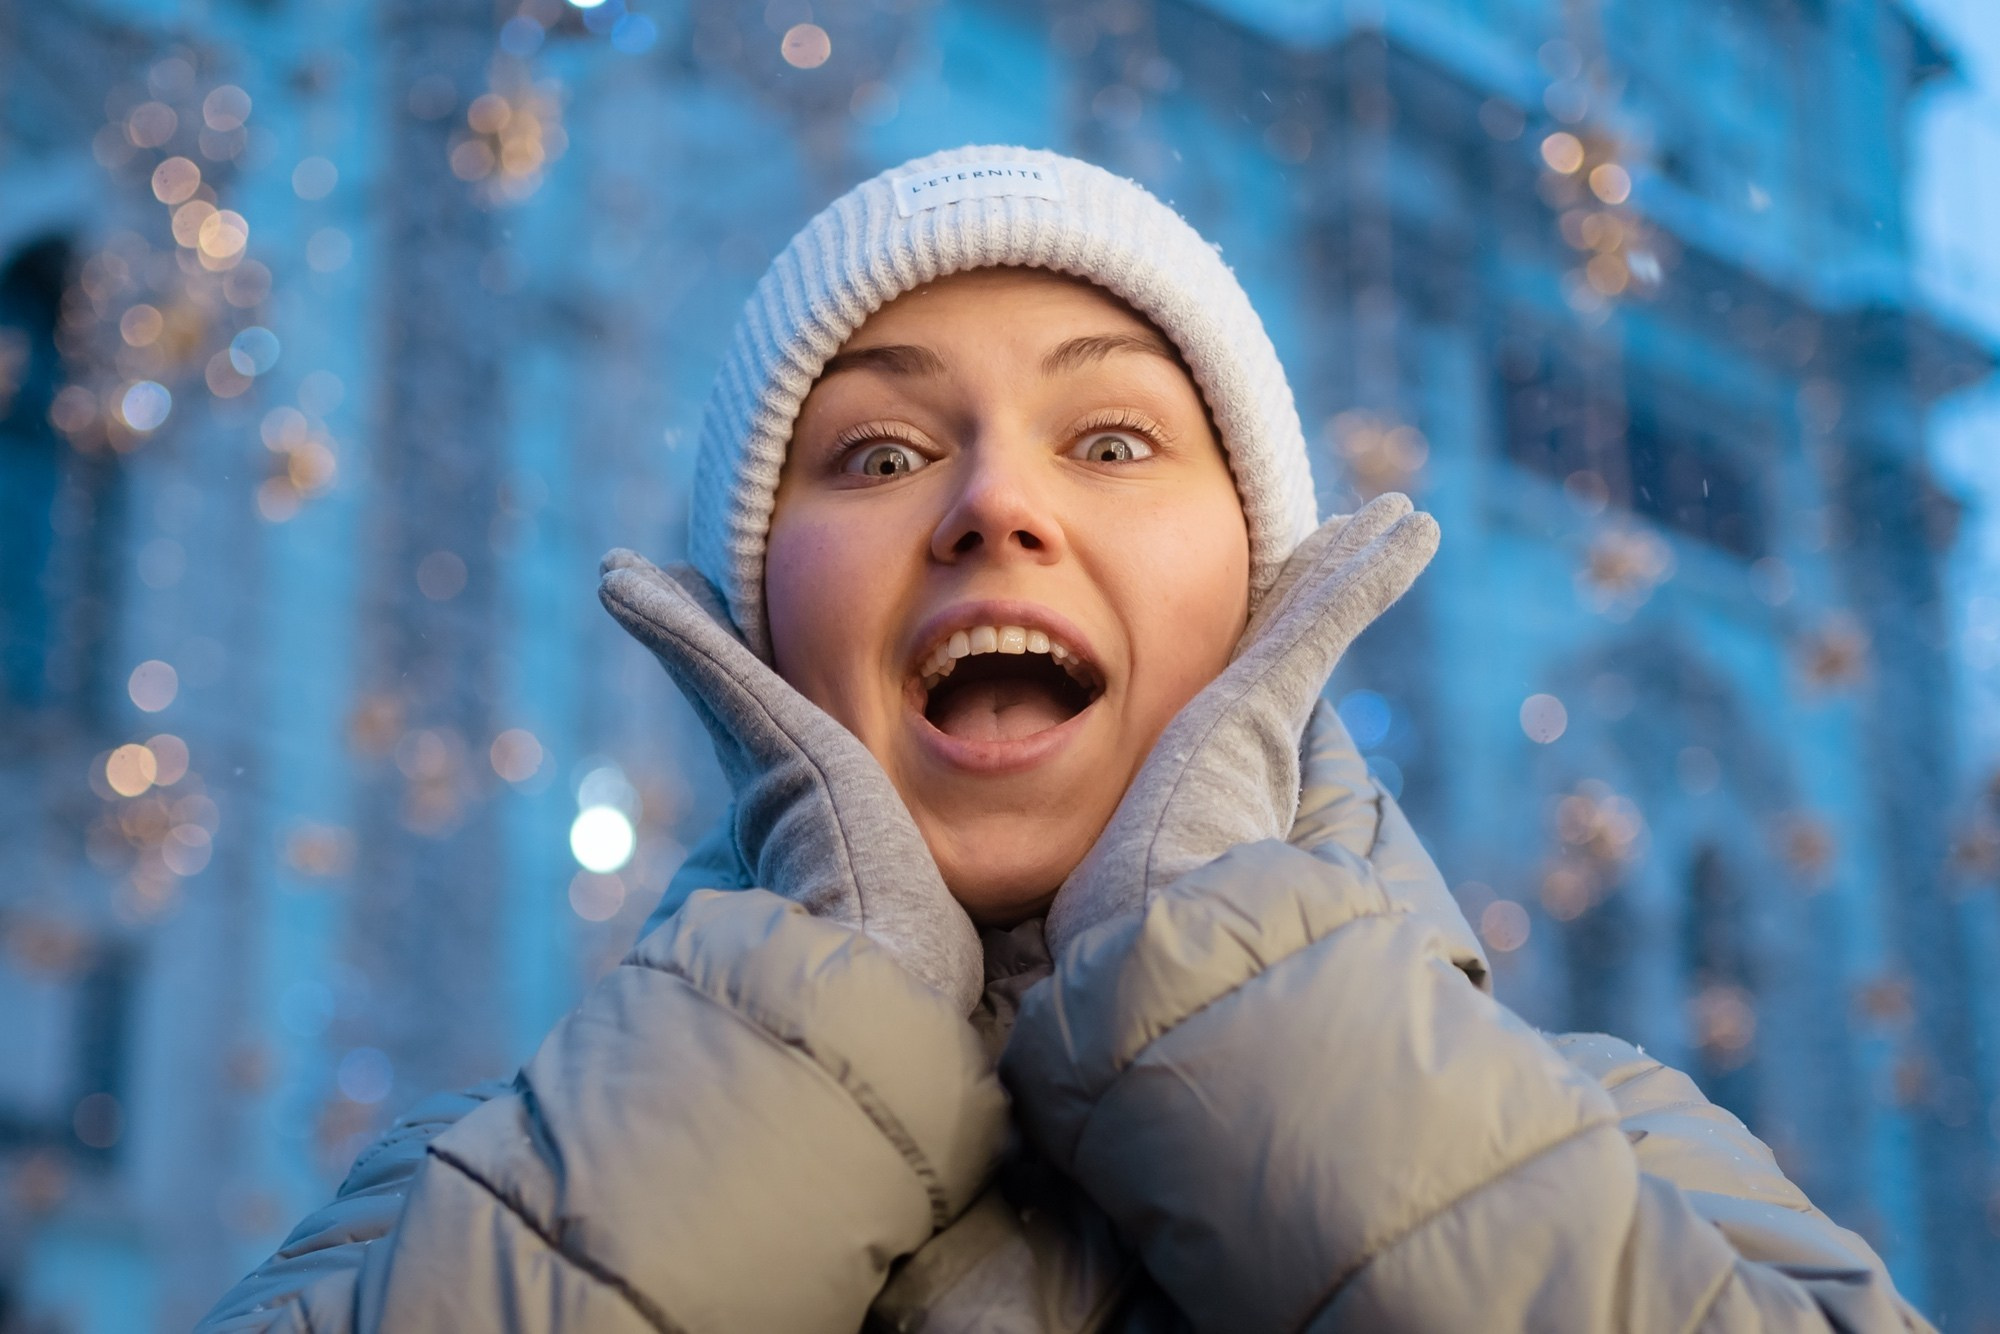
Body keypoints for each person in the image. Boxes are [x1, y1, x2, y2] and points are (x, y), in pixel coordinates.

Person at [198, 145, 1933, 1333]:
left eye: (1111, 439)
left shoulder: (1637, 1153)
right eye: (877, 454)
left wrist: (1235, 1000)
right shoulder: (444, 1202)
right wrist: (808, 1044)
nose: (994, 502)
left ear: (1262, 589)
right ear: (754, 622)